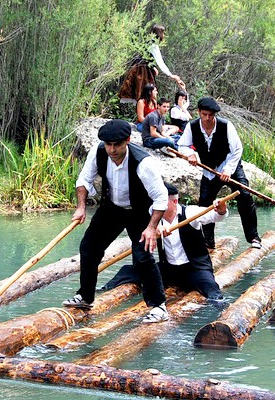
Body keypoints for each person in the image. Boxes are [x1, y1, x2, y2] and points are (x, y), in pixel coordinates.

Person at [63, 119, 170, 323]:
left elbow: (161, 198)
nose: (111, 149)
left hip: (139, 211)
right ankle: (85, 296)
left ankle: (159, 306)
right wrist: (81, 207)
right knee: (88, 248)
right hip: (112, 207)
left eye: (116, 145)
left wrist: (151, 228)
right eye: (108, 144)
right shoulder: (99, 152)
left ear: (127, 141)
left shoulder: (144, 163)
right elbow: (83, 180)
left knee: (143, 257)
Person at [101, 182, 228, 302]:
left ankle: (220, 313)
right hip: (169, 269)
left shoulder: (190, 213)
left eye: (162, 201)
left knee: (212, 291)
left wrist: (221, 209)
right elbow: (145, 219)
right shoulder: (155, 214)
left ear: (175, 202)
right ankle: (102, 292)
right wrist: (155, 227)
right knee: (128, 271)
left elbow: (215, 216)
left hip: (194, 269)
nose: (158, 204)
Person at [177, 97, 262, 250]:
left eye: (210, 115)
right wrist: (190, 154)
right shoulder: (192, 126)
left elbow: (237, 150)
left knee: (245, 195)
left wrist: (228, 170)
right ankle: (209, 243)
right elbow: (182, 145)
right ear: (199, 112)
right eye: (204, 114)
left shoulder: (226, 126)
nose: (207, 118)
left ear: (215, 115)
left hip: (230, 167)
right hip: (209, 171)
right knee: (205, 204)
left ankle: (254, 237)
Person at [118, 23, 185, 104]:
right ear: (159, 34)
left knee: (144, 94)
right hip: (143, 71)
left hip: (140, 68)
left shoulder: (148, 42)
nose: (164, 35)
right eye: (163, 33)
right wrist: (171, 75)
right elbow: (160, 62)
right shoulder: (153, 45)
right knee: (146, 94)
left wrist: (153, 67)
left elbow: (146, 57)